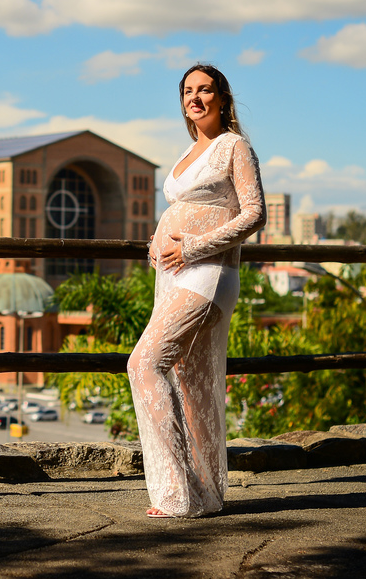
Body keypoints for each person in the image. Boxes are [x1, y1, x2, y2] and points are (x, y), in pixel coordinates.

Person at [132, 64, 265, 518]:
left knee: (143, 363)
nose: (195, 97)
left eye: (205, 90)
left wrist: (190, 246)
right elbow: (187, 206)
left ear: (222, 98)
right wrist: (159, 240)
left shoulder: (234, 147)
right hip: (174, 275)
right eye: (188, 90)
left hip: (208, 274)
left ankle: (176, 491)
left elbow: (254, 213)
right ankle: (207, 495)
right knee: (192, 385)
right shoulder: (189, 151)